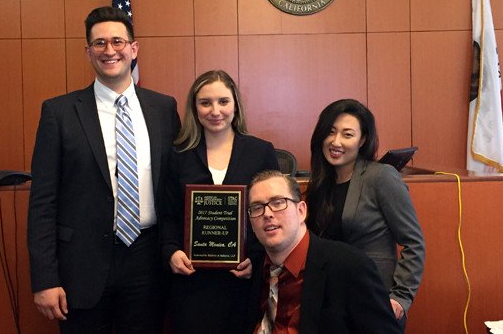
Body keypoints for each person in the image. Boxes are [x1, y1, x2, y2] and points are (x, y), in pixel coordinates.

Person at [27, 6, 180, 333]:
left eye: (117, 42)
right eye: (99, 43)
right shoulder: (59, 112)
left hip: (147, 260)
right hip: (81, 264)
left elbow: (173, 188)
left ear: (133, 48)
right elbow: (42, 201)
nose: (109, 51)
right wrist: (44, 279)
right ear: (88, 52)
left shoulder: (163, 109)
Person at [161, 70, 279, 333]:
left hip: (242, 280)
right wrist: (171, 252)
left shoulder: (260, 152)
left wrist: (256, 258)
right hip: (191, 281)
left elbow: (272, 213)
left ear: (235, 104)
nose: (215, 110)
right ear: (194, 108)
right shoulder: (178, 155)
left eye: (223, 101)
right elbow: (168, 214)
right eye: (205, 102)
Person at [304, 99, 425, 327]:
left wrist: (401, 296)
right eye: (330, 132)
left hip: (374, 299)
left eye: (347, 134)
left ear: (363, 140)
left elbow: (414, 242)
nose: (336, 141)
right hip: (330, 302)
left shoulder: (381, 177)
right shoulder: (320, 184)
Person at [246, 170, 402, 333]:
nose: (267, 214)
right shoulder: (255, 270)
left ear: (301, 211)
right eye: (257, 208)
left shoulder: (351, 267)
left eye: (278, 203)